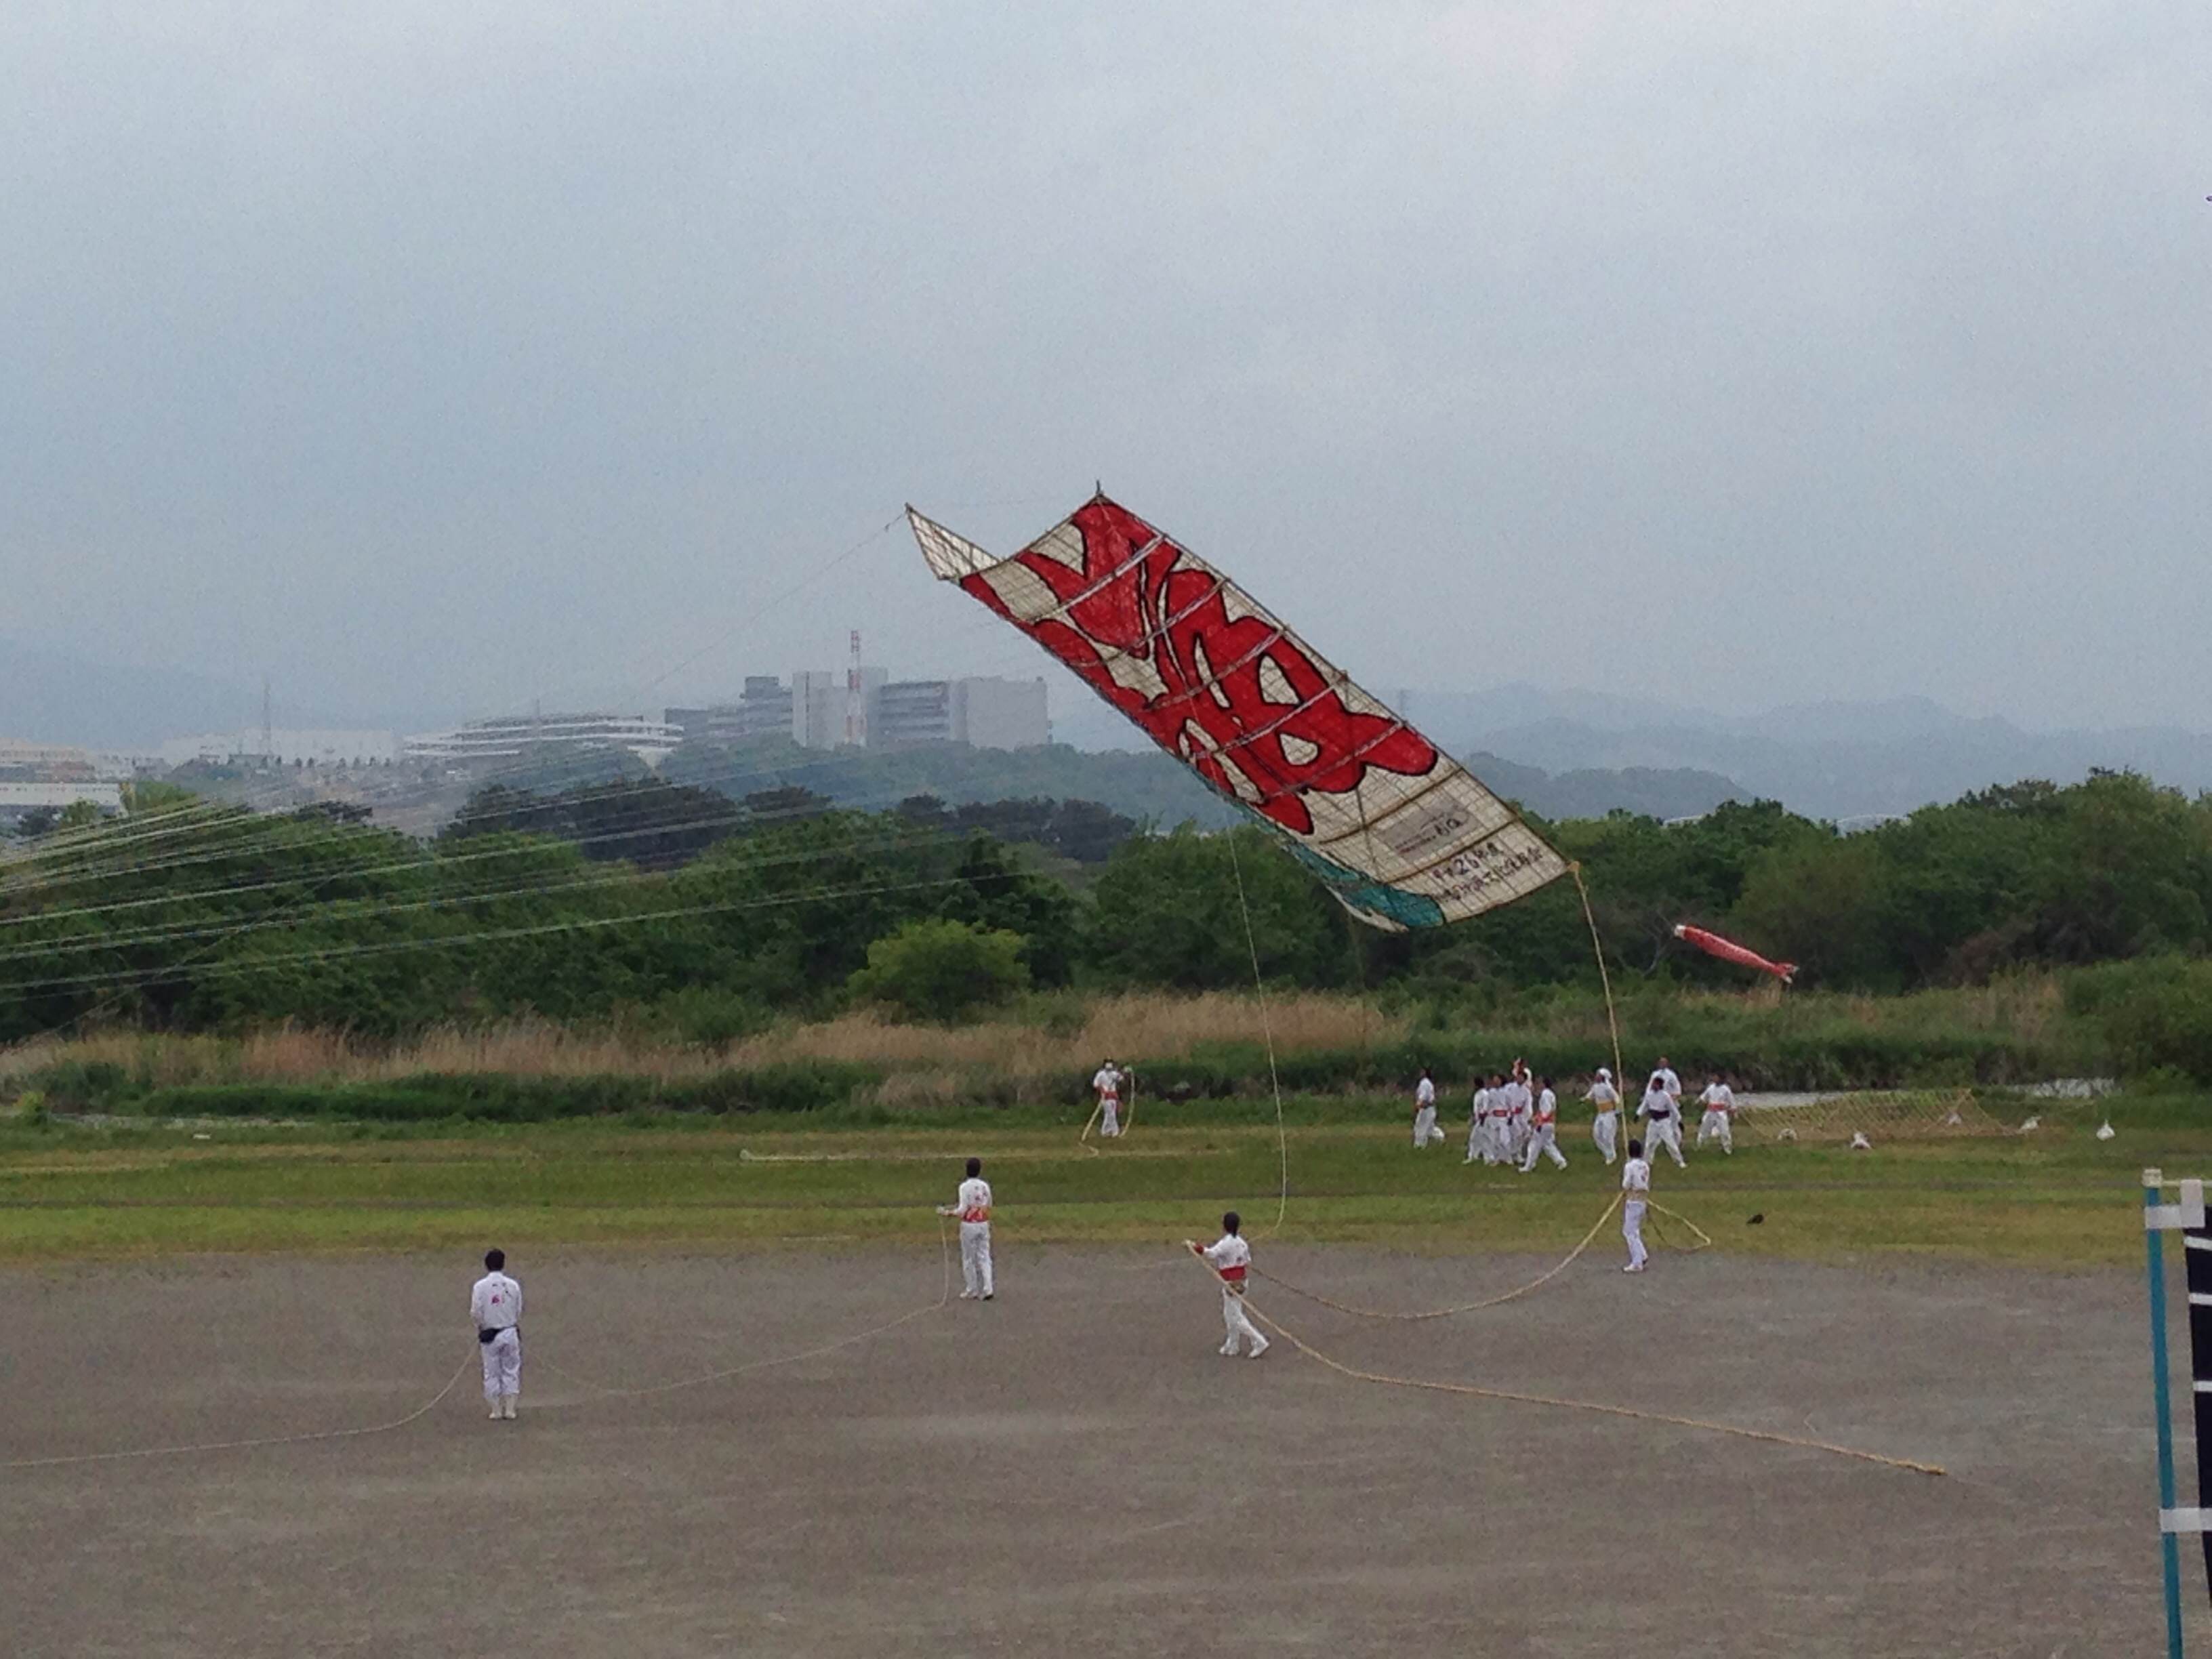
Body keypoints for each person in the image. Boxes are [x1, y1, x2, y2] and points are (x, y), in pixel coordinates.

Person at [1186, 1211, 1268, 1358]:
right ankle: (1233, 1345)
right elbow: (1247, 1261)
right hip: (1241, 1282)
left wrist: (1194, 1246)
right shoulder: (1242, 1243)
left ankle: (1259, 1341)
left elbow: (1211, 1253)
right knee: (1229, 1315)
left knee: (1236, 1317)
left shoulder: (1227, 1243)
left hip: (1232, 1284)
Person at [470, 1248, 523, 1422]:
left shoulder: (480, 1287)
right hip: (510, 1331)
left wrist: (480, 1326)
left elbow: (476, 1312)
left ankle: (496, 1410)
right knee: (511, 1370)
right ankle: (510, 1409)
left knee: (491, 1372)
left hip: (490, 1334)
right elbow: (518, 1309)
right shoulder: (513, 1285)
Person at [937, 1157, 994, 1300]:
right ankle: (988, 1288)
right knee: (984, 1256)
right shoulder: (984, 1186)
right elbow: (989, 1204)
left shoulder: (964, 1187)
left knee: (969, 1258)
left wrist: (947, 1213)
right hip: (983, 1223)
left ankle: (972, 1289)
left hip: (969, 1225)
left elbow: (962, 1210)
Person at [1638, 1071, 1686, 1168]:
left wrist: (1678, 1119)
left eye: (1655, 1084)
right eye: (1653, 1084)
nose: (1653, 1085)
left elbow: (1672, 1108)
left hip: (1664, 1122)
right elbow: (1644, 1106)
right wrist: (1638, 1114)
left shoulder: (1665, 1096)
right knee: (1649, 1143)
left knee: (1670, 1143)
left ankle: (1679, 1161)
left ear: (1660, 1085)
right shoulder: (1649, 1095)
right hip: (1653, 1121)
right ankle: (1647, 1161)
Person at [1520, 1076, 1568, 1172]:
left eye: (1540, 1083)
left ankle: (1529, 1166)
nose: (1538, 1085)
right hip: (1549, 1123)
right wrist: (1535, 1118)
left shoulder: (1545, 1094)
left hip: (1544, 1124)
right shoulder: (1550, 1094)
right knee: (1548, 1145)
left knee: (1534, 1145)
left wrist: (1538, 1121)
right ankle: (1561, 1161)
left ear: (1544, 1084)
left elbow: (1546, 1112)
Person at [1620, 1141, 1652, 1272]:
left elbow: (1626, 1184)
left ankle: (1637, 1262)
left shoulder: (1630, 1166)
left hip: (1633, 1201)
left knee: (1629, 1231)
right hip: (1642, 1200)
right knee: (1634, 1230)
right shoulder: (1645, 1165)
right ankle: (1642, 1255)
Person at [1587, 1068, 1622, 1165]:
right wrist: (1585, 1099)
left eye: (1598, 1075)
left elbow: (1617, 1098)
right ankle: (1608, 1154)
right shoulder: (1595, 1087)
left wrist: (1618, 1109)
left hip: (1609, 1114)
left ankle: (1612, 1155)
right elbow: (1590, 1095)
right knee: (1597, 1135)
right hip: (1600, 1114)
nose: (1596, 1076)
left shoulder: (1607, 1088)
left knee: (1607, 1136)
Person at [1696, 1073, 1736, 1155]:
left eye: (1716, 1077)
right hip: (1710, 1112)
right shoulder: (1711, 1087)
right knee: (1704, 1128)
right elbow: (1704, 1097)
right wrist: (1699, 1101)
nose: (1714, 1078)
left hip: (1721, 1113)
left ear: (1721, 1078)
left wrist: (1733, 1111)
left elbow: (1731, 1101)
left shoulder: (1726, 1089)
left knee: (1724, 1131)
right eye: (1714, 1077)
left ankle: (1727, 1149)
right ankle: (1699, 1145)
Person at [1412, 1068, 1446, 1148]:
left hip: (1426, 1109)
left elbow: (1423, 1096)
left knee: (1421, 1127)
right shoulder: (1428, 1083)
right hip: (1430, 1109)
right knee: (1430, 1129)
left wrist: (1418, 1104)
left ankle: (1419, 1145)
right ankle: (1440, 1137)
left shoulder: (1424, 1083)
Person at [1092, 1059, 1125, 1138]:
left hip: (1113, 1096)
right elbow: (1095, 1084)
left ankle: (1105, 1131)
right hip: (1105, 1097)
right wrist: (1102, 1089)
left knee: (1109, 1114)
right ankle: (1115, 1131)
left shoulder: (1114, 1073)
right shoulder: (1101, 1074)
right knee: (1111, 1114)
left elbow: (1121, 1078)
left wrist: (1122, 1072)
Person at [1465, 1074, 1494, 1164]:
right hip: (1478, 1120)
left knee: (1485, 1139)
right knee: (1474, 1138)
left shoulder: (1485, 1094)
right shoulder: (1477, 1094)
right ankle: (1473, 1156)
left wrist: (1482, 1119)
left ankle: (1488, 1158)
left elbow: (1485, 1108)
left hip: (1484, 1120)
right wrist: (1474, 1117)